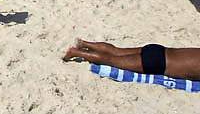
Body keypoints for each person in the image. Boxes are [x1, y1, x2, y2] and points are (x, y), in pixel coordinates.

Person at [62, 38, 200, 80]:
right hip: (158, 63)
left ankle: (85, 44)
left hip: (159, 49)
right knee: (111, 60)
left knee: (116, 51)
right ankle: (77, 52)